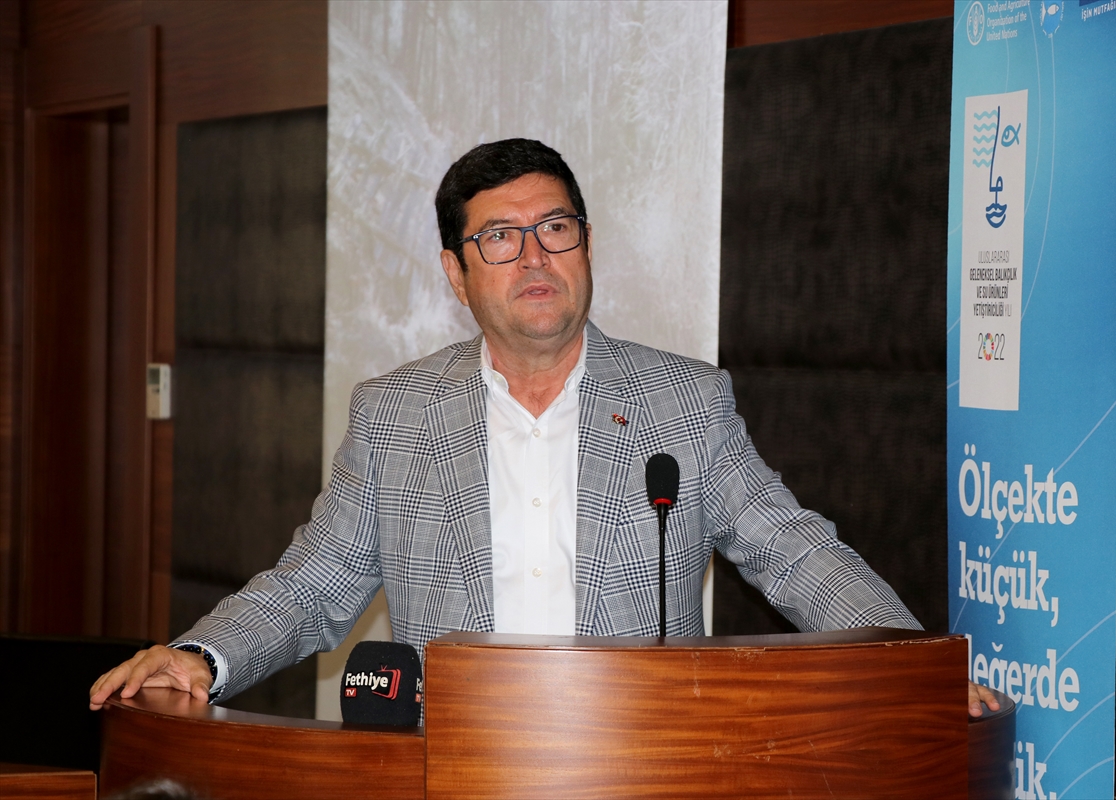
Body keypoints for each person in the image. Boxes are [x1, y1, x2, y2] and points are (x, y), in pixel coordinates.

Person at [90, 138, 999, 716]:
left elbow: (795, 554)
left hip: (642, 764)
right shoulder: (395, 415)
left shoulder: (683, 402)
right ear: (456, 273)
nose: (533, 255)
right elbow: (312, 587)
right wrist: (200, 655)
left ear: (586, 247)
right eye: (499, 237)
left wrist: (914, 670)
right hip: (454, 765)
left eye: (555, 228)